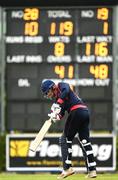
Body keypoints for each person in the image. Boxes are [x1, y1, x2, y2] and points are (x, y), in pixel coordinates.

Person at [41, 79, 97, 179]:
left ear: (52, 88)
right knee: (85, 141)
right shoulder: (57, 99)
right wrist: (55, 117)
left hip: (77, 111)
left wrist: (58, 103)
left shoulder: (61, 85)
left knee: (64, 139)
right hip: (84, 112)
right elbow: (61, 113)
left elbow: (67, 90)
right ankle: (92, 170)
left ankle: (67, 168)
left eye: (47, 92)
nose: (47, 95)